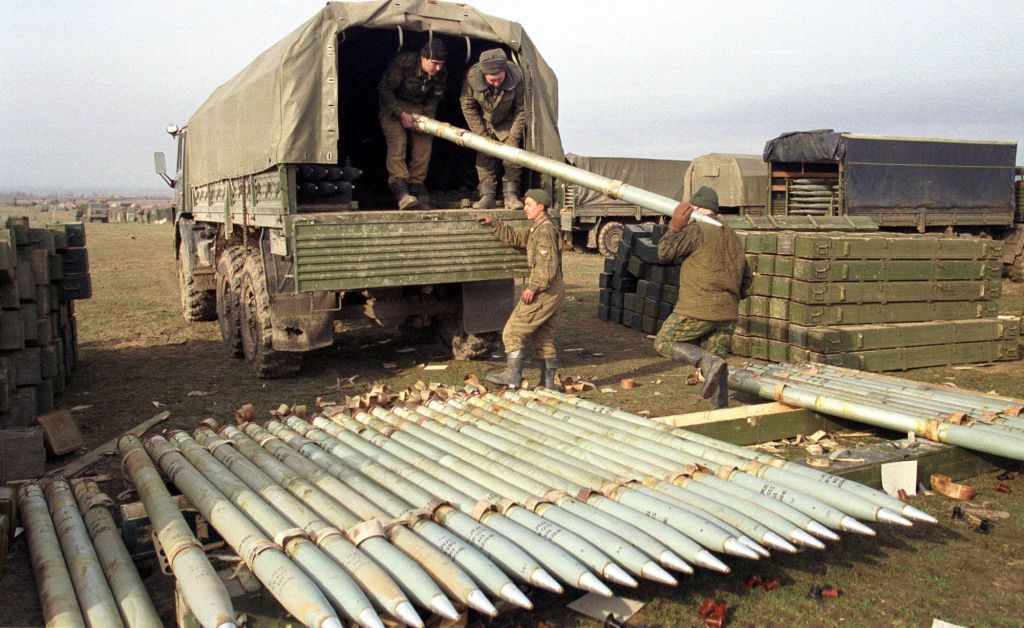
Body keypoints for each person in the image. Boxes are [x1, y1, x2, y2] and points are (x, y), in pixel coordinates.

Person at [654, 186, 752, 409]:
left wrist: (675, 227)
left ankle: (705, 361)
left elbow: (664, 252)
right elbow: (746, 280)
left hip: (698, 308)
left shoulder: (697, 230)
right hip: (728, 313)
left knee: (664, 342)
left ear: (695, 208)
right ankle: (720, 414)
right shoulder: (733, 237)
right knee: (718, 369)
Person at [478, 189, 563, 388]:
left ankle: (513, 376)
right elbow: (517, 239)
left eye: (529, 205)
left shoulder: (545, 230)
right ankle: (547, 385)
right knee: (543, 336)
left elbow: (547, 266)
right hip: (553, 289)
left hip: (545, 290)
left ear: (540, 207)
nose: (525, 208)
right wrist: (495, 223)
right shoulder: (539, 228)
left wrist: (533, 287)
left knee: (512, 331)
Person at [378, 39, 448, 210]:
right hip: (394, 104)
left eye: (441, 64)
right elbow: (384, 89)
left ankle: (415, 190)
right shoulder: (405, 63)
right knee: (398, 143)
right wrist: (400, 113)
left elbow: (434, 99)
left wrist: (426, 119)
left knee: (424, 147)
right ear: (424, 58)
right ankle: (401, 192)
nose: (438, 68)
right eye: (435, 63)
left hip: (420, 108)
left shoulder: (441, 72)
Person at [460, 48, 527, 211]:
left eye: (499, 79)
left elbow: (522, 109)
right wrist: (481, 135)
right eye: (492, 80)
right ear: (483, 74)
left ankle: (511, 196)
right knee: (484, 156)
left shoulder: (516, 77)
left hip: (509, 121)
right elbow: (467, 105)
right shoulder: (472, 77)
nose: (496, 83)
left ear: (505, 70)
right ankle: (487, 196)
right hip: (484, 122)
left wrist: (513, 136)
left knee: (512, 156)